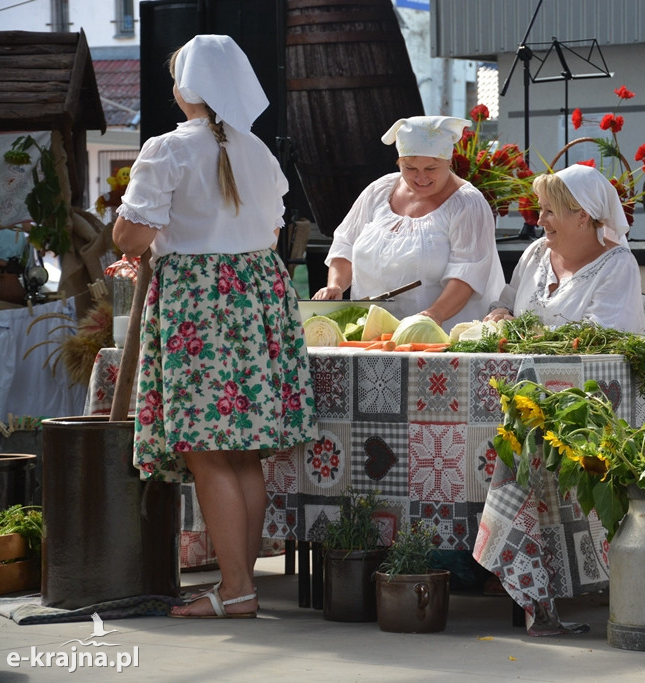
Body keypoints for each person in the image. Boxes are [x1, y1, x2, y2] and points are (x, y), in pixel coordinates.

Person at [112, 35, 317, 618]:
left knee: (207, 450)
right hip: (256, 294)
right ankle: (240, 585)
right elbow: (271, 232)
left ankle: (237, 591)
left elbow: (130, 235)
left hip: (198, 302)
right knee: (242, 452)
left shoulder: (168, 149)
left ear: (187, 88)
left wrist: (144, 237)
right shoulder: (260, 151)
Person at [311, 116, 505, 328]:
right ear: (399, 162)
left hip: (439, 334)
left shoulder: (467, 204)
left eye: (431, 168)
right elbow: (345, 244)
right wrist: (336, 285)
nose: (421, 178)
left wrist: (433, 315)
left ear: (449, 162)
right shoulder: (380, 190)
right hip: (370, 330)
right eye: (410, 168)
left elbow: (467, 274)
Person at [484, 164, 645, 332]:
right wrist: (500, 313)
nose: (540, 220)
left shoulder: (617, 264)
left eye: (550, 211)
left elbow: (600, 333)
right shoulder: (536, 252)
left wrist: (525, 332)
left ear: (582, 216)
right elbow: (508, 302)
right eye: (541, 209)